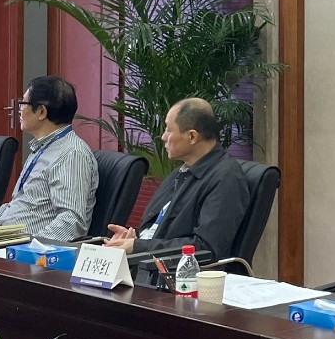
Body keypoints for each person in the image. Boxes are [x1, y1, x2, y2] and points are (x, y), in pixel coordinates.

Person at [105, 97, 251, 261]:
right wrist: (133, 238)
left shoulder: (226, 179)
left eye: (168, 130)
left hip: (174, 272)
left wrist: (138, 246)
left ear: (192, 137)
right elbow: (158, 230)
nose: (163, 137)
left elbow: (206, 249)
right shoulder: (180, 172)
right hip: (146, 263)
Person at [0, 75, 97, 241]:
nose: (19, 109)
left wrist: (30, 247)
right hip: (8, 243)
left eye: (23, 103)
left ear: (41, 111)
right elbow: (16, 205)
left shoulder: (71, 154)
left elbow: (71, 221)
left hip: (31, 251)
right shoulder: (43, 148)